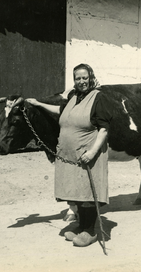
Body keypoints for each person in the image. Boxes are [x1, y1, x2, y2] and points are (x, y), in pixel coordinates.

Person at [26, 63, 112, 247]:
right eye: (77, 78)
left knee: (87, 192)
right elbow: (61, 112)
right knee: (76, 192)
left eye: (84, 77)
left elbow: (104, 129)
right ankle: (81, 225)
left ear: (91, 77)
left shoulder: (98, 98)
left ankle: (90, 231)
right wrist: (39, 104)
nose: (81, 81)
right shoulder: (73, 96)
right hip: (71, 157)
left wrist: (92, 152)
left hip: (88, 155)